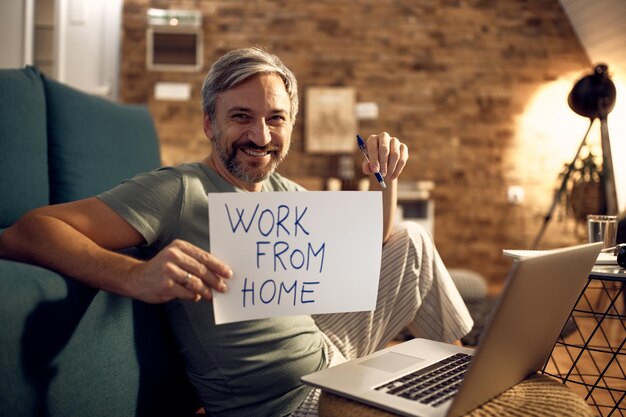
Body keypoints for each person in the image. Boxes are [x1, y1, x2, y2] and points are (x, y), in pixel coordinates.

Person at [0, 47, 472, 416]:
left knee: (410, 239)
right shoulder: (178, 190)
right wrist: (132, 276)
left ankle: (476, 368)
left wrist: (385, 179)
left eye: (275, 118)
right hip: (283, 407)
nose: (261, 136)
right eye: (241, 116)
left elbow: (373, 249)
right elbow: (27, 231)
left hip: (328, 356)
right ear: (210, 123)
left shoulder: (285, 192)